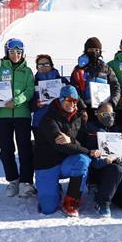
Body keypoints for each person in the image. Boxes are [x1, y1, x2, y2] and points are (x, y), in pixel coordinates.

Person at [34, 86, 101, 217]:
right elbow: (61, 146)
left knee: (83, 160)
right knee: (48, 208)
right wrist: (88, 151)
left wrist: (71, 140)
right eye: (69, 100)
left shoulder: (78, 117)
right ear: (61, 99)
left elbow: (80, 142)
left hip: (66, 162)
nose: (72, 104)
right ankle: (52, 189)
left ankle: (71, 200)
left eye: (75, 101)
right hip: (47, 164)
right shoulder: (49, 119)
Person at [0, 38, 36, 197]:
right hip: (3, 116)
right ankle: (13, 180)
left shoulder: (27, 71)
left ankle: (26, 182)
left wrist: (16, 101)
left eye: (18, 52)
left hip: (22, 114)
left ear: (23, 53)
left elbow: (30, 90)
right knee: (6, 149)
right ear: (6, 53)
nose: (15, 55)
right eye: (11, 52)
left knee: (24, 148)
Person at [81, 101, 122, 217]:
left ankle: (108, 192)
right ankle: (102, 202)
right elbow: (89, 160)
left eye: (111, 114)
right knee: (116, 169)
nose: (109, 117)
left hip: (116, 174)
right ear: (97, 114)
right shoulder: (91, 131)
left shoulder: (116, 129)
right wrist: (103, 161)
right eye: (105, 114)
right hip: (99, 172)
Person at [70, 37, 120, 119]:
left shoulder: (106, 68)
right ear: (86, 51)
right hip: (85, 110)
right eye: (91, 50)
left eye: (97, 50)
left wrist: (111, 103)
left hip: (104, 109)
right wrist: (82, 107)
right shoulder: (79, 69)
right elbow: (74, 89)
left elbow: (116, 86)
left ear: (100, 51)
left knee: (103, 131)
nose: (94, 52)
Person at [31, 54, 67, 144]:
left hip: (59, 122)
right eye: (40, 65)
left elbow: (72, 98)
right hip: (39, 122)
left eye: (46, 64)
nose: (43, 67)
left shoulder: (62, 81)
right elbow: (28, 104)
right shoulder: (33, 83)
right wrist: (36, 104)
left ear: (51, 65)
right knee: (42, 152)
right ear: (37, 67)